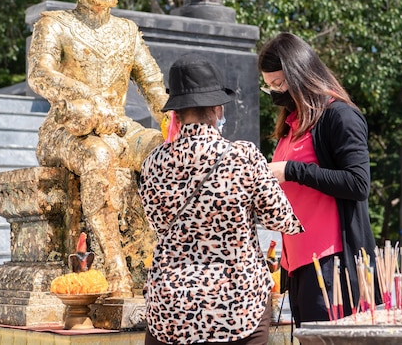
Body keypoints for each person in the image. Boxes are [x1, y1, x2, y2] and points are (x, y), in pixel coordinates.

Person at [27, 0, 168, 297]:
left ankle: (161, 260)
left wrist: (175, 121)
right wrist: (85, 97)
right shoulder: (56, 25)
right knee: (98, 157)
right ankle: (114, 268)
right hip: (65, 131)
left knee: (163, 150)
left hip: (119, 127)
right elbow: (38, 74)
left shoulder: (127, 31)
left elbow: (153, 85)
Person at [139, 54, 304, 344]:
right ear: (217, 109)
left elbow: (156, 222)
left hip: (171, 310)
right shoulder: (243, 156)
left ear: (175, 112)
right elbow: (281, 219)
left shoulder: (153, 163)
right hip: (237, 305)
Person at [257, 32, 379, 326]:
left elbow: (358, 184)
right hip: (297, 263)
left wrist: (291, 170)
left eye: (278, 84)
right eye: (269, 86)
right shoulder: (291, 123)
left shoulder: (340, 116)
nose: (274, 93)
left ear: (299, 75)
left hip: (331, 262)